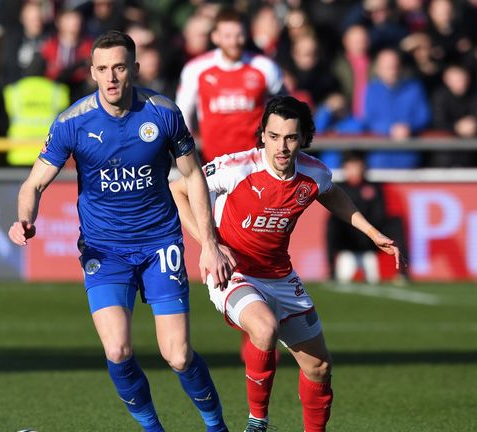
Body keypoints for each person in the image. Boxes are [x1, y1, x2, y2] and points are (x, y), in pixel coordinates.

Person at [7, 30, 231, 432]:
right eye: (103, 69)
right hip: (104, 250)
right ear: (92, 72)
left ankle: (216, 427)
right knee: (117, 349)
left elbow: (194, 176)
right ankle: (153, 430)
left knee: (178, 355)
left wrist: (209, 244)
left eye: (119, 67)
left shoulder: (162, 112)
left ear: (134, 69)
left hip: (160, 242)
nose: (111, 77)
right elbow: (33, 184)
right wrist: (25, 219)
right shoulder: (72, 123)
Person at [170, 96, 402, 432]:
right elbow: (179, 190)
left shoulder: (313, 173)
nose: (282, 146)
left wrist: (370, 231)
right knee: (264, 329)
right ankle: (257, 421)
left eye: (291, 138)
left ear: (303, 138)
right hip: (234, 273)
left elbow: (332, 193)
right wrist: (210, 246)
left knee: (319, 367)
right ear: (262, 134)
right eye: (274, 136)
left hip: (281, 276)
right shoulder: (236, 167)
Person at [176, 7, 284, 163]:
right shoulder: (196, 69)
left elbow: (283, 109)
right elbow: (183, 112)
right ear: (215, 37)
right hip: (214, 162)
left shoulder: (265, 67)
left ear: (246, 34)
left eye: (239, 35)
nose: (234, 42)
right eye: (227, 36)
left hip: (256, 161)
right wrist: (187, 156)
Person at [326, 151, 408, 284]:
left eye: (356, 166)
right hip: (348, 239)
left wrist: (371, 232)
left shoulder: (374, 188)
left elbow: (380, 215)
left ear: (363, 167)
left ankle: (403, 272)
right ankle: (331, 270)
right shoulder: (339, 188)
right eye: (349, 166)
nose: (353, 170)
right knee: (332, 223)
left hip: (371, 238)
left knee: (395, 222)